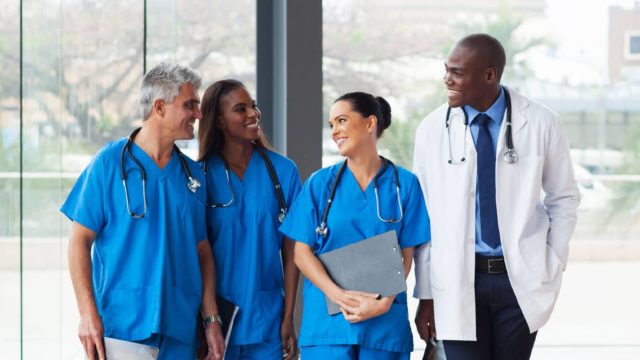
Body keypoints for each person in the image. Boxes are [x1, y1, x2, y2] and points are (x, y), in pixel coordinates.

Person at [412, 34, 580, 360]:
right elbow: (425, 215)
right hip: (459, 280)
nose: (447, 79)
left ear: (489, 75)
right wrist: (426, 294)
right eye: (447, 70)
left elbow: (564, 198)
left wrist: (552, 261)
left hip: (520, 280)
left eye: (457, 72)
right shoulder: (432, 130)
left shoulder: (542, 122)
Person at [62, 62, 225, 360]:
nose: (198, 115)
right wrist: (87, 314)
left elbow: (202, 251)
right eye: (190, 105)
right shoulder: (110, 164)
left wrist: (211, 321)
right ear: (160, 107)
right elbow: (78, 241)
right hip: (122, 325)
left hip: (180, 326)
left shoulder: (194, 176)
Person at [280, 92, 431, 360]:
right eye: (331, 125)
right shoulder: (320, 184)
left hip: (384, 326)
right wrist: (338, 295)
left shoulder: (404, 185)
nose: (335, 131)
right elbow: (300, 253)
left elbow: (408, 252)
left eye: (341, 121)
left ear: (370, 123)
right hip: (328, 327)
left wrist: (383, 302)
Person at [198, 79, 301, 360]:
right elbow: (195, 251)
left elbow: (293, 251)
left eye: (253, 106)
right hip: (216, 322)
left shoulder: (283, 171)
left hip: (267, 318)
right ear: (219, 121)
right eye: (240, 109)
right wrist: (210, 320)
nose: (253, 114)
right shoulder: (200, 177)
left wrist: (288, 316)